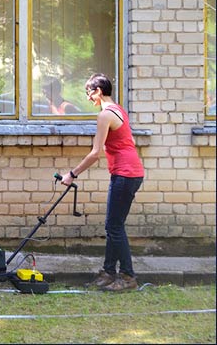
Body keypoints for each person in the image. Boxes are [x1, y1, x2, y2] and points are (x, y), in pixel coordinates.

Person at [59, 73, 144, 292]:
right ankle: (108, 273)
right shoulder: (119, 110)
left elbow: (95, 153)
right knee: (114, 226)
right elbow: (129, 142)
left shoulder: (105, 114)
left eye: (89, 93)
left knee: (114, 227)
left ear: (98, 91)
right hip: (130, 172)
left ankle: (127, 277)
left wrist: (72, 174)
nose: (88, 98)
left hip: (125, 174)